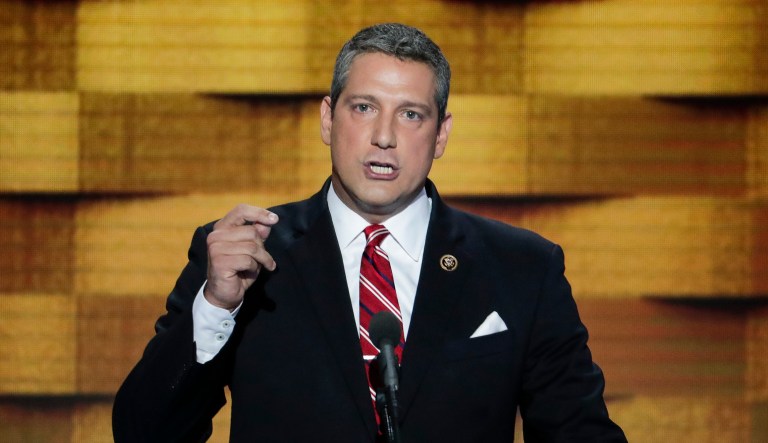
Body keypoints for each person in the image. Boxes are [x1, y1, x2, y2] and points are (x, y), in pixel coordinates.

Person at [112, 23, 627, 442]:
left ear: (441, 133)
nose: (384, 137)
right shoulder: (245, 254)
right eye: (363, 108)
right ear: (328, 118)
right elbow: (143, 434)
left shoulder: (521, 267)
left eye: (410, 114)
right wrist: (215, 306)